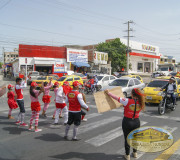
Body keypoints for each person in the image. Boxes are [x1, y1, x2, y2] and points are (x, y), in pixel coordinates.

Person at [105, 88, 145, 160]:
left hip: (127, 121)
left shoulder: (127, 101)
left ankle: (127, 155)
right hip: (136, 121)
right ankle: (135, 153)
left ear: (132, 94)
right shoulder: (141, 102)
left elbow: (116, 98)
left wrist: (109, 93)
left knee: (127, 138)